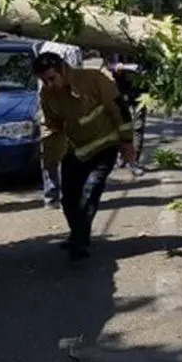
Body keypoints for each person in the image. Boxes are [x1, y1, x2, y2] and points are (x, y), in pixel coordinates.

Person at [34, 52, 135, 261]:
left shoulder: (93, 80)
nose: (49, 84)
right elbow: (53, 127)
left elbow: (119, 109)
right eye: (44, 80)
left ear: (63, 70)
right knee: (69, 198)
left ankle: (79, 240)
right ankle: (78, 234)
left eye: (52, 78)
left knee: (90, 191)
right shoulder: (47, 95)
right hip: (75, 150)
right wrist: (49, 155)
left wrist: (127, 142)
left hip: (105, 145)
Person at [38, 40, 84, 209]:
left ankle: (54, 196)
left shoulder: (45, 46)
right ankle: (63, 195)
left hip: (51, 105)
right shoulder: (71, 48)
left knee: (51, 153)